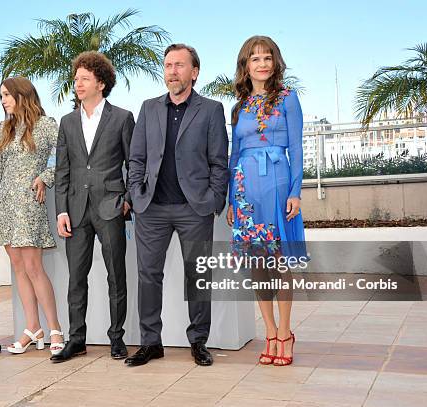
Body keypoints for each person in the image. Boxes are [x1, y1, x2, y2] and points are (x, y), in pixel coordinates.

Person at [126, 44, 229, 367]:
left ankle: (198, 341)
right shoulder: (148, 108)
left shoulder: (211, 110)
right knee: (148, 276)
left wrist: (213, 199)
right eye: (168, 65)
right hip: (151, 208)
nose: (172, 71)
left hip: (194, 208)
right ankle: (150, 342)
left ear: (194, 72)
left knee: (197, 276)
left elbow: (218, 162)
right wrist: (136, 193)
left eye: (179, 65)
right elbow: (137, 157)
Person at [51, 51, 135, 363]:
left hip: (110, 207)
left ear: (101, 83)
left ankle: (117, 338)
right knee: (76, 278)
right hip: (74, 210)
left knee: (116, 275)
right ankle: (77, 339)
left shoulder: (122, 118)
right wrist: (61, 210)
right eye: (76, 80)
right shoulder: (67, 122)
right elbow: (63, 170)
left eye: (84, 79)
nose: (78, 84)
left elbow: (134, 163)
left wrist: (127, 199)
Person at [227, 35, 306, 366]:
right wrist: (232, 199)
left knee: (281, 263)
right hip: (246, 190)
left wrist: (296, 191)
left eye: (267, 58)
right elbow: (234, 155)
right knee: (257, 264)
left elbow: (297, 148)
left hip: (277, 183)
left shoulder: (288, 98)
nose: (261, 63)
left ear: (275, 63)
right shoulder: (239, 107)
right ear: (246, 66)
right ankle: (270, 332)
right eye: (254, 58)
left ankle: (287, 332)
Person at [0, 77, 64, 356]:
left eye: (7, 94)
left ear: (22, 95)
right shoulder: (3, 129)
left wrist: (45, 176)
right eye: (1, 96)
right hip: (5, 206)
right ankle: (32, 328)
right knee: (18, 269)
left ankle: (55, 329)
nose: (3, 100)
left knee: (33, 268)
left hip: (29, 204)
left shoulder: (46, 125)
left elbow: (61, 157)